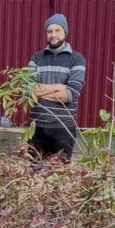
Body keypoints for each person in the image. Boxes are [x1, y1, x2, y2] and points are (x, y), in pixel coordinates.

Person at [27, 13, 86, 159]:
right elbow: (28, 90)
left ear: (65, 32)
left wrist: (41, 89)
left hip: (63, 128)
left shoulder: (77, 59)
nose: (53, 34)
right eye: (49, 31)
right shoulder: (36, 57)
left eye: (57, 30)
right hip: (37, 128)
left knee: (59, 175)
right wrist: (60, 86)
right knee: (33, 174)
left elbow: (70, 95)